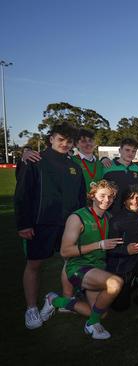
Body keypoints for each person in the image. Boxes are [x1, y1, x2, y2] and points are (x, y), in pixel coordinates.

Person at [14, 122, 87, 330]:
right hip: (39, 225)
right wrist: (24, 224)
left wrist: (81, 222)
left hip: (68, 224)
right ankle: (31, 308)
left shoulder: (74, 165)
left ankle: (62, 300)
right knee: (34, 265)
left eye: (69, 141)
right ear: (51, 139)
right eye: (60, 139)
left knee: (70, 261)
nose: (65, 144)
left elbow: (81, 199)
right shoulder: (35, 160)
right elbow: (22, 195)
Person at [42, 180, 125, 339]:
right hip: (78, 267)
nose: (106, 200)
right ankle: (91, 325)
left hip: (97, 268)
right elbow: (65, 251)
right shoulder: (77, 217)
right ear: (92, 196)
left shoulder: (108, 217)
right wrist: (99, 245)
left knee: (102, 314)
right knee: (115, 283)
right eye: (102, 196)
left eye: (110, 197)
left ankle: (55, 301)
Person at [105, 186, 138, 312]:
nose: (135, 201)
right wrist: (125, 250)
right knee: (120, 307)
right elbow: (108, 250)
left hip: (137, 258)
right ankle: (126, 286)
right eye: (131, 198)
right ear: (124, 201)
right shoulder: (116, 221)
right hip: (121, 264)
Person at [101, 138, 138, 215]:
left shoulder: (137, 168)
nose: (130, 153)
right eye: (127, 150)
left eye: (133, 151)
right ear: (120, 150)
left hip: (130, 211)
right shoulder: (107, 166)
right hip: (110, 212)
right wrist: (102, 159)